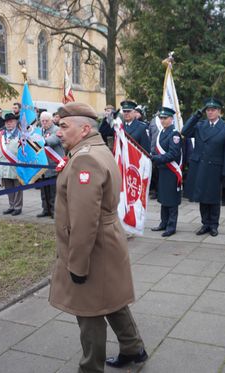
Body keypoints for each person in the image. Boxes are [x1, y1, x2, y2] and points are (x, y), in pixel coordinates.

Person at [49, 102, 147, 373]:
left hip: (92, 248)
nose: (59, 132)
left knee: (89, 311)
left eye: (64, 126)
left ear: (83, 129)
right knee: (112, 299)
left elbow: (83, 221)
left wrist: (77, 264)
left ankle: (91, 368)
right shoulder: (96, 149)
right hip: (105, 241)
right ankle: (133, 348)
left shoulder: (84, 159)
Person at [181, 97, 225, 237]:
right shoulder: (200, 125)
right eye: (208, 110)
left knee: (214, 198)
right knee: (202, 197)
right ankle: (205, 223)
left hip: (215, 168)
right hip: (200, 167)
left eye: (213, 110)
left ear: (219, 112)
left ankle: (214, 225)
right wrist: (197, 114)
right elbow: (184, 131)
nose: (210, 112)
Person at [150, 107, 183, 237]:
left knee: (172, 200)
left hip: (171, 171)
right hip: (163, 170)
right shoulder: (161, 132)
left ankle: (171, 226)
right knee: (163, 198)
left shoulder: (174, 134)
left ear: (171, 119)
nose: (163, 120)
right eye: (161, 118)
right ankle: (163, 223)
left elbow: (173, 154)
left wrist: (156, 158)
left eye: (165, 118)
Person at [0, 113, 23, 216]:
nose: (9, 124)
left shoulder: (21, 134)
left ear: (15, 122)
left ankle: (18, 207)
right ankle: (11, 206)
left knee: (18, 187)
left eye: (11, 122)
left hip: (16, 164)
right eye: (7, 122)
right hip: (4, 164)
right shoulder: (1, 134)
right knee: (8, 187)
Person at [37, 111, 63, 218]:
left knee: (54, 192)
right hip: (43, 166)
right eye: (42, 121)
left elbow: (51, 141)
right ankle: (45, 209)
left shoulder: (57, 130)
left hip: (53, 165)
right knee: (44, 191)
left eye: (46, 121)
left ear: (51, 120)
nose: (44, 123)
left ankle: (54, 211)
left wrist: (37, 141)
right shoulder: (40, 131)